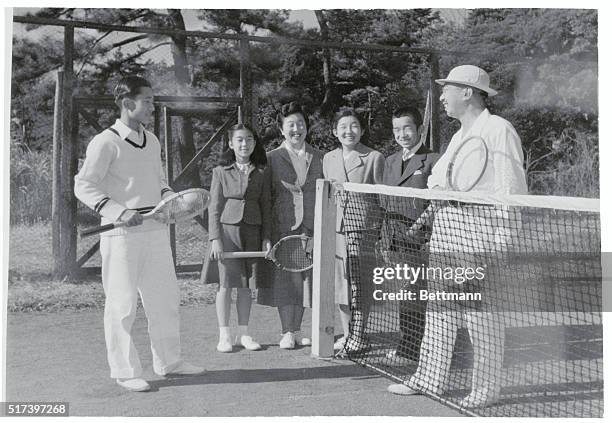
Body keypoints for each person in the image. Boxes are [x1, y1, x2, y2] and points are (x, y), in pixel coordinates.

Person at [391, 65, 527, 408]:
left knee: (480, 318)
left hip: (479, 238)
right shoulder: (458, 135)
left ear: (467, 92)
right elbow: (437, 179)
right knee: (439, 313)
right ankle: (429, 377)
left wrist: (503, 242)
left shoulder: (499, 130)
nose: (442, 96)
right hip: (447, 236)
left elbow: (510, 189)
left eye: (447, 89)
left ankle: (486, 387)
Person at [74, 75, 204, 392]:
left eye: (153, 100)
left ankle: (169, 362)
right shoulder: (105, 141)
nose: (152, 106)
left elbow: (157, 182)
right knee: (122, 304)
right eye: (147, 100)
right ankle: (124, 370)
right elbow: (84, 185)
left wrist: (172, 201)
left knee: (165, 299)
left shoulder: (153, 140)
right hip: (121, 237)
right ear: (127, 103)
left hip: (156, 232)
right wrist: (120, 211)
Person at [380, 107, 439, 394]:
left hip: (421, 241)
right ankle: (408, 345)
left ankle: (414, 349)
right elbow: (384, 201)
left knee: (417, 295)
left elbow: (436, 204)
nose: (402, 135)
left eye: (407, 128)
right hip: (394, 240)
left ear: (418, 129)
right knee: (405, 293)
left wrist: (420, 231)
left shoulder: (432, 160)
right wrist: (384, 238)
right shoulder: (389, 161)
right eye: (397, 130)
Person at [257, 101, 324, 349]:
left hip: (311, 225)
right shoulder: (271, 158)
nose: (297, 129)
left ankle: (297, 330)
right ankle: (287, 331)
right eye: (291, 125)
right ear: (282, 129)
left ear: (307, 127)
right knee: (286, 280)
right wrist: (266, 234)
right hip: (282, 226)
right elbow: (265, 198)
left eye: (301, 124)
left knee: (305, 279)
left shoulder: (320, 156)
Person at [200, 124, 271, 353]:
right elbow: (213, 207)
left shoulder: (262, 171)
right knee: (225, 285)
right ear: (231, 143)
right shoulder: (220, 172)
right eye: (239, 140)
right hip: (227, 233)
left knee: (245, 287)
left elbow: (266, 207)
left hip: (253, 232)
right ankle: (225, 335)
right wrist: (215, 239)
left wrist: (266, 238)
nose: (244, 144)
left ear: (254, 143)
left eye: (249, 139)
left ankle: (244, 333)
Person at [322, 107, 384, 353]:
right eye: (343, 127)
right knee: (341, 284)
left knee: (360, 283)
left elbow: (382, 197)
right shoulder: (328, 158)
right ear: (335, 131)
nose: (349, 131)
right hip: (335, 231)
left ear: (362, 130)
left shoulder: (374, 157)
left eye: (354, 126)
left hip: (363, 229)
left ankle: (359, 335)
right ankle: (348, 334)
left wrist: (377, 230)